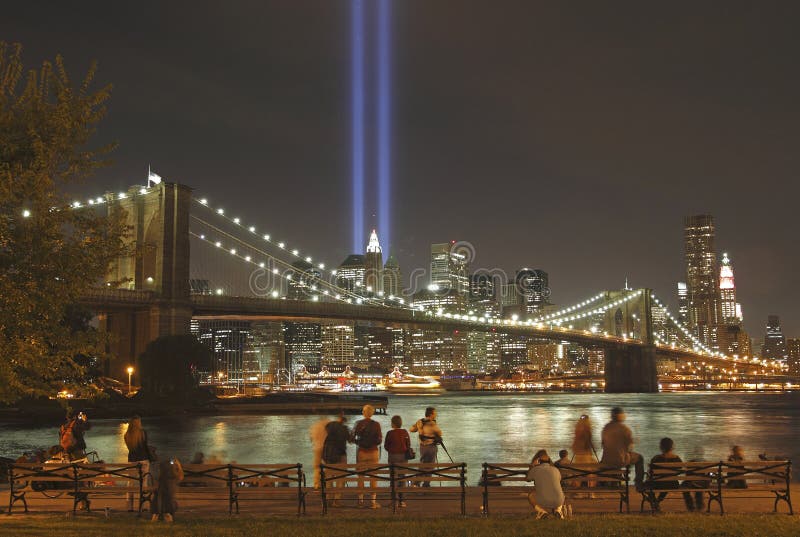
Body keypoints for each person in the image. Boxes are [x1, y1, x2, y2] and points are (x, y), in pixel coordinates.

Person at [600, 407, 644, 490]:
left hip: (606, 460)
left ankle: (620, 477)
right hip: (620, 460)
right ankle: (638, 482)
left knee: (618, 456)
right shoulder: (625, 429)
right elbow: (629, 447)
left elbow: (603, 444)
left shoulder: (606, 428)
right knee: (639, 458)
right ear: (622, 416)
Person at [648, 437, 698, 511]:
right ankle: (657, 501)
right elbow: (681, 470)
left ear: (661, 447)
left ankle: (655, 502)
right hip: (673, 484)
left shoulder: (656, 458)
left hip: (658, 484)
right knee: (667, 483)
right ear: (672, 447)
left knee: (648, 487)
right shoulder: (677, 459)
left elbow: (651, 471)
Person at [351, 404, 382, 508]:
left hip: (362, 452)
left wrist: (358, 442)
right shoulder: (376, 424)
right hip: (373, 452)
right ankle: (373, 502)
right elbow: (380, 439)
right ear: (372, 413)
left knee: (361, 477)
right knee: (373, 477)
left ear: (363, 413)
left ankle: (360, 501)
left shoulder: (358, 423)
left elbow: (352, 437)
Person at [123, 415, 154, 511]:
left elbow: (130, 449)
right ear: (138, 423)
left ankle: (129, 506)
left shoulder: (127, 435)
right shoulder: (143, 433)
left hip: (132, 460)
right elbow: (145, 447)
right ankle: (143, 505)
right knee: (144, 482)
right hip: (143, 459)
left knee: (130, 482)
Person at [526, 449, 566, 519]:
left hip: (542, 501)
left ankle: (542, 512)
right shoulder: (556, 470)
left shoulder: (535, 469)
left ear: (539, 461)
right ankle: (558, 510)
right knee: (560, 492)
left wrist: (532, 466)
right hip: (559, 501)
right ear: (549, 461)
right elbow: (559, 480)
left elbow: (527, 479)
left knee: (531, 495)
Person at [410, 406, 443, 488]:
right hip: (431, 446)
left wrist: (419, 428)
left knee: (422, 465)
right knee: (430, 466)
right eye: (435, 413)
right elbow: (440, 433)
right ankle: (426, 484)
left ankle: (416, 483)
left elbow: (411, 429)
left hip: (422, 447)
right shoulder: (432, 423)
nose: (436, 415)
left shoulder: (420, 422)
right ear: (431, 414)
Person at [384, 415, 412, 508]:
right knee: (402, 478)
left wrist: (391, 450)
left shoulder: (390, 433)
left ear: (393, 424)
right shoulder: (405, 432)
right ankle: (402, 501)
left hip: (393, 456)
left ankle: (394, 500)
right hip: (403, 457)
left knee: (393, 478)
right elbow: (408, 445)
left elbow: (386, 446)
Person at [322, 412, 349, 507]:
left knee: (329, 479)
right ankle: (336, 500)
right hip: (339, 456)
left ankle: (328, 499)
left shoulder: (330, 428)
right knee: (340, 479)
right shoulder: (344, 429)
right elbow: (350, 439)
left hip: (328, 456)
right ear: (344, 421)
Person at [151, 457, 184, 522]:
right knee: (168, 498)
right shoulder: (173, 478)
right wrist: (177, 465)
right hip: (167, 500)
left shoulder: (162, 479)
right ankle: (166, 514)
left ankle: (159, 514)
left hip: (161, 501)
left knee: (163, 496)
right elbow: (180, 476)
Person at [572, 413, 598, 490]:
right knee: (591, 473)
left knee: (578, 473)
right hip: (586, 454)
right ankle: (591, 492)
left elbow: (575, 444)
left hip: (578, 454)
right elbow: (589, 442)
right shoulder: (587, 429)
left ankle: (578, 491)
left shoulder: (577, 429)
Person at [308, 417, 329, 489]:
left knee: (317, 467)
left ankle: (317, 485)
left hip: (317, 448)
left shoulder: (314, 425)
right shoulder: (329, 424)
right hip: (327, 448)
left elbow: (310, 439)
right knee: (327, 467)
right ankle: (326, 484)